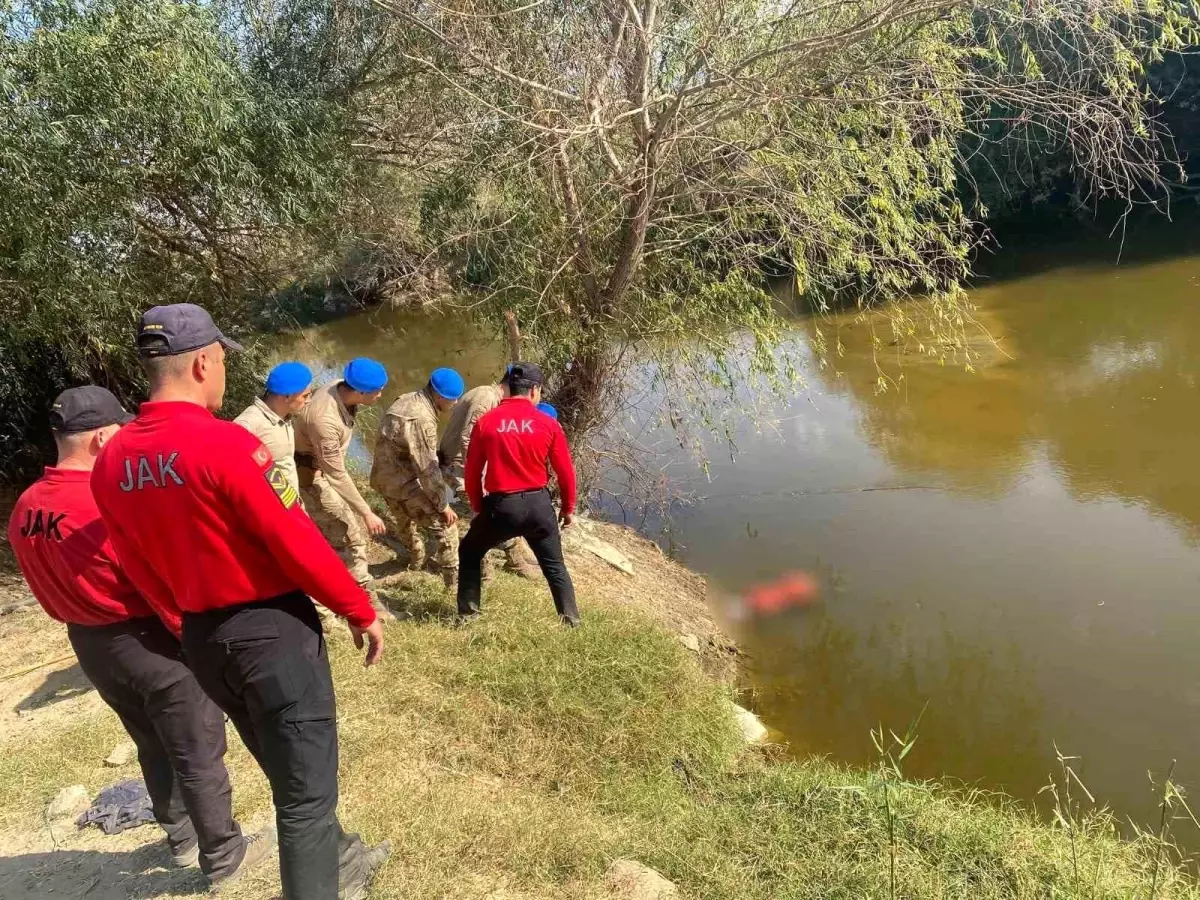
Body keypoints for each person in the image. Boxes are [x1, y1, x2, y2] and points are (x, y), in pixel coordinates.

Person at [91, 304, 389, 900]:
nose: (224, 371)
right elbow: (295, 540)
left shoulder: (112, 461)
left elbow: (137, 566)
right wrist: (358, 608)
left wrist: (183, 624)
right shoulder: (225, 445)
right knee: (305, 797)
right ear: (203, 361)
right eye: (223, 359)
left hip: (202, 638)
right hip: (270, 634)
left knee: (286, 765)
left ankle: (341, 858)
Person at [7, 386, 272, 889]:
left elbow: (43, 591)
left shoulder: (26, 507)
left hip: (89, 645)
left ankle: (180, 834)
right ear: (103, 437)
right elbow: (153, 580)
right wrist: (193, 638)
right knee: (198, 746)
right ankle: (224, 856)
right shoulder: (102, 501)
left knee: (150, 741)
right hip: (146, 640)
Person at [458, 361, 580, 625]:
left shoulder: (486, 422)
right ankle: (571, 621)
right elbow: (566, 473)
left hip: (501, 507)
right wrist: (568, 509)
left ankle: (469, 617)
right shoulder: (548, 424)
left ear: (509, 388)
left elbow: (472, 473)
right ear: (535, 390)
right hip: (538, 506)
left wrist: (479, 507)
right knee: (555, 566)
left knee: (469, 551)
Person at [293, 358, 388, 588]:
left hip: (321, 470)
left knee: (330, 534)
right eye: (377, 391)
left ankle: (332, 582)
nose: (380, 395)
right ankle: (362, 598)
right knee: (350, 537)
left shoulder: (339, 385)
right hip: (311, 478)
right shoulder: (325, 421)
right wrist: (366, 512)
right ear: (360, 392)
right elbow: (336, 474)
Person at [438, 373, 539, 579]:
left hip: (464, 464)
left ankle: (515, 556)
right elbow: (468, 438)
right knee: (486, 513)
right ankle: (491, 568)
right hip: (458, 466)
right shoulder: (486, 397)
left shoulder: (491, 397)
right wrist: (477, 477)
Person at [370, 368, 464, 589]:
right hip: (402, 483)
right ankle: (453, 585)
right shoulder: (421, 418)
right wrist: (443, 505)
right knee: (446, 528)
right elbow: (427, 469)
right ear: (439, 396)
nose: (456, 402)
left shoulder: (407, 398)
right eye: (453, 399)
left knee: (403, 522)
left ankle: (416, 559)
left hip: (384, 478)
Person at [233, 361, 313, 497]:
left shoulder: (284, 417)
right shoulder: (249, 424)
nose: (309, 400)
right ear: (287, 396)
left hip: (290, 505)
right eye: (305, 396)